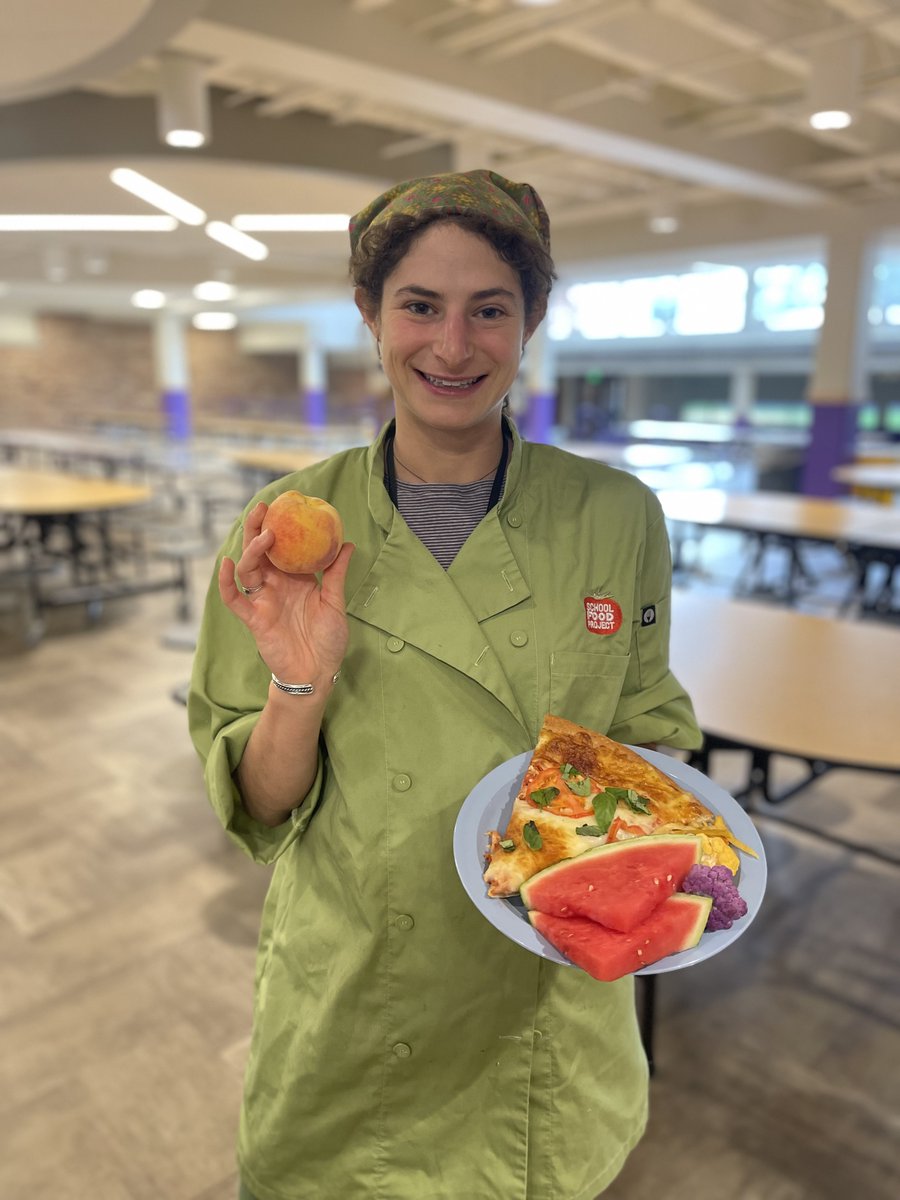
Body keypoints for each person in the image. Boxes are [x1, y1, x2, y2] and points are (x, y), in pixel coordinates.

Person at [188, 169, 701, 1200]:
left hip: (545, 996)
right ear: (371, 315)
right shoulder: (287, 521)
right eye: (420, 306)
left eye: (489, 310)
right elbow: (259, 805)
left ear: (532, 320)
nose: (453, 346)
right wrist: (297, 683)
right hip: (361, 994)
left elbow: (647, 726)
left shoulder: (616, 515)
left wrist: (634, 844)